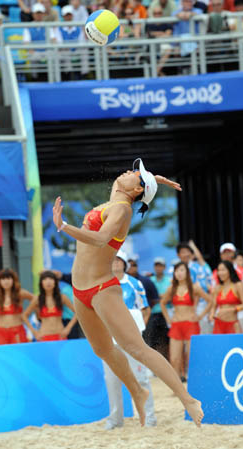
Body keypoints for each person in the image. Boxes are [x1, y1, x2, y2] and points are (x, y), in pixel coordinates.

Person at [53, 158, 204, 427]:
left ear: (135, 191)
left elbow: (99, 239)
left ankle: (187, 398)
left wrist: (64, 226)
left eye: (136, 174)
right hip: (80, 289)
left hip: (101, 288)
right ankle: (137, 390)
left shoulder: (122, 210)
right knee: (102, 350)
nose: (130, 171)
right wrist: (153, 180)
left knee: (137, 348)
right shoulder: (118, 196)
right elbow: (127, 186)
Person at [103, 250, 156, 430]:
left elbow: (145, 309)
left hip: (132, 339)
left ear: (125, 264)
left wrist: (138, 328)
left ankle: (149, 418)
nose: (116, 263)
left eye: (120, 260)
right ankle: (115, 420)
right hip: (110, 339)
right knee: (112, 380)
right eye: (113, 260)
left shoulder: (134, 284)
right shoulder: (103, 285)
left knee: (140, 378)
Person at [160, 261, 212, 380]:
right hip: (176, 325)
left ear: (187, 273)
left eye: (182, 270)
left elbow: (210, 301)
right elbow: (162, 303)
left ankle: (193, 384)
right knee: (174, 358)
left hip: (191, 324)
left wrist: (200, 316)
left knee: (191, 357)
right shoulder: (171, 288)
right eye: (177, 270)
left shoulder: (194, 287)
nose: (179, 273)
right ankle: (178, 386)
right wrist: (168, 318)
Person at [22, 271, 76, 341]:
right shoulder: (38, 299)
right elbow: (24, 315)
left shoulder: (62, 297)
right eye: (45, 279)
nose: (48, 282)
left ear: (55, 282)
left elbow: (77, 313)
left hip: (60, 336)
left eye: (51, 279)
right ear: (41, 283)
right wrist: (34, 332)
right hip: (44, 336)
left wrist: (68, 328)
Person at [0, 269, 34, 345]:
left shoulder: (20, 293)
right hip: (1, 332)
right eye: (3, 279)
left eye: (8, 278)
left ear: (13, 280)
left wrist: (26, 313)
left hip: (17, 331)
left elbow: (35, 299)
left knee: (19, 354)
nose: (6, 281)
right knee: (3, 355)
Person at [209, 261, 243, 334]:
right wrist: (212, 314)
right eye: (219, 270)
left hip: (233, 323)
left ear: (230, 270)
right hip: (218, 323)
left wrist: (232, 309)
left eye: (223, 270)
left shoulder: (238, 285)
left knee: (235, 345)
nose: (220, 273)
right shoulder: (218, 287)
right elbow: (214, 305)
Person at [146, 257, 171, 358]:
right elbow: (150, 298)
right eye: (156, 265)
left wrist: (159, 298)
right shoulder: (150, 280)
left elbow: (169, 297)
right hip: (153, 313)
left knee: (167, 340)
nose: (158, 268)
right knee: (152, 340)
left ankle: (167, 362)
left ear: (164, 267)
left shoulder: (169, 280)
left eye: (160, 265)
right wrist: (162, 297)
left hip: (166, 314)